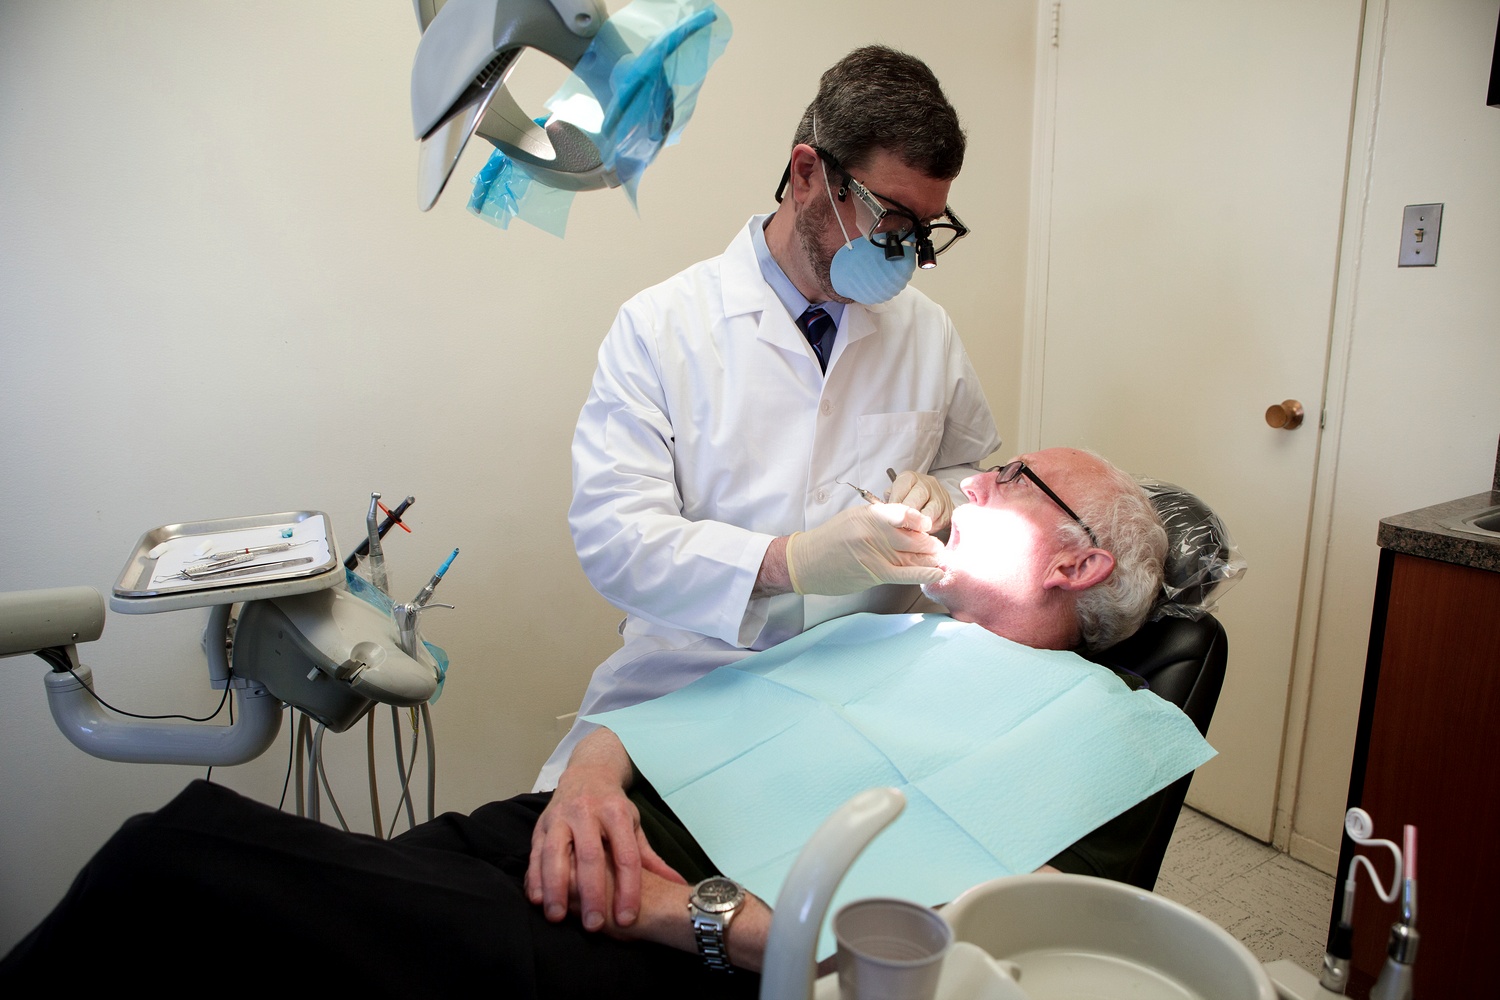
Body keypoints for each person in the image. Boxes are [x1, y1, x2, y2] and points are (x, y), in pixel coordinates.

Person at [1, 450, 1170, 997]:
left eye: (1010, 475)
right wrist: (590, 776)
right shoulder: (885, 621)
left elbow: (974, 960)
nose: (969, 480)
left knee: (175, 865)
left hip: (664, 932)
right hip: (562, 829)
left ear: (1079, 558)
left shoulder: (1105, 729)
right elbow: (689, 699)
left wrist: (689, 911)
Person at [541, 45, 1001, 789]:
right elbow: (614, 539)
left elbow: (973, 465)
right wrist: (786, 563)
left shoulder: (926, 329)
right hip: (696, 674)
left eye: (924, 230)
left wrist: (945, 493)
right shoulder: (661, 327)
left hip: (872, 668)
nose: (906, 255)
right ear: (807, 173)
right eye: (890, 218)